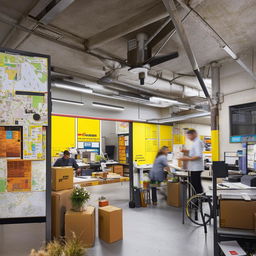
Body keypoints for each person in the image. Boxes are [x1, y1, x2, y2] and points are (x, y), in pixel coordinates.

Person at [178, 129, 204, 194]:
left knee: (196, 186)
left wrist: (186, 159)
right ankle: (197, 199)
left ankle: (197, 202)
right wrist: (186, 151)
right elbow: (194, 152)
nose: (188, 138)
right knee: (196, 185)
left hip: (196, 168)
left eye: (189, 136)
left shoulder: (198, 142)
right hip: (194, 168)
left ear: (193, 134)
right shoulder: (195, 142)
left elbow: (198, 155)